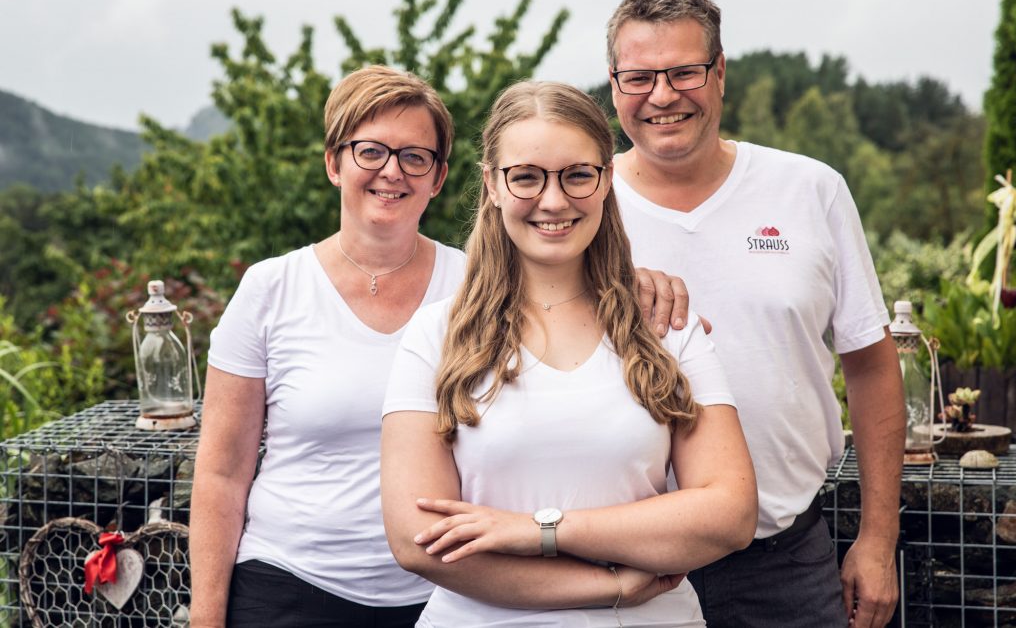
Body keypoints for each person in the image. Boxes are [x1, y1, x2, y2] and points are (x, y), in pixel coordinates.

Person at [189, 66, 693, 628]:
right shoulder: (270, 289)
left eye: (415, 157)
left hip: (458, 589)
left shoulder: (477, 289)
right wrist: (206, 618)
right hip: (292, 581)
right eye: (370, 151)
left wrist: (634, 283)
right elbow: (222, 473)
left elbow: (570, 292)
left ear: (439, 176)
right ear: (334, 163)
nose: (392, 172)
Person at [380, 80, 757, 627]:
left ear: (606, 180)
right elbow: (418, 542)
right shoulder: (435, 337)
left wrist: (538, 530)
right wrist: (610, 587)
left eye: (578, 175)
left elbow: (729, 514)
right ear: (492, 184)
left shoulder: (665, 328)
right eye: (526, 176)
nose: (553, 201)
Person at [604, 0, 906, 628]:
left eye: (684, 71)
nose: (662, 95)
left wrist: (878, 540)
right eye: (639, 77)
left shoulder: (811, 190)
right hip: (621, 563)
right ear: (613, 84)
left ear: (719, 75)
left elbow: (874, 367)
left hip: (784, 560)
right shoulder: (578, 206)